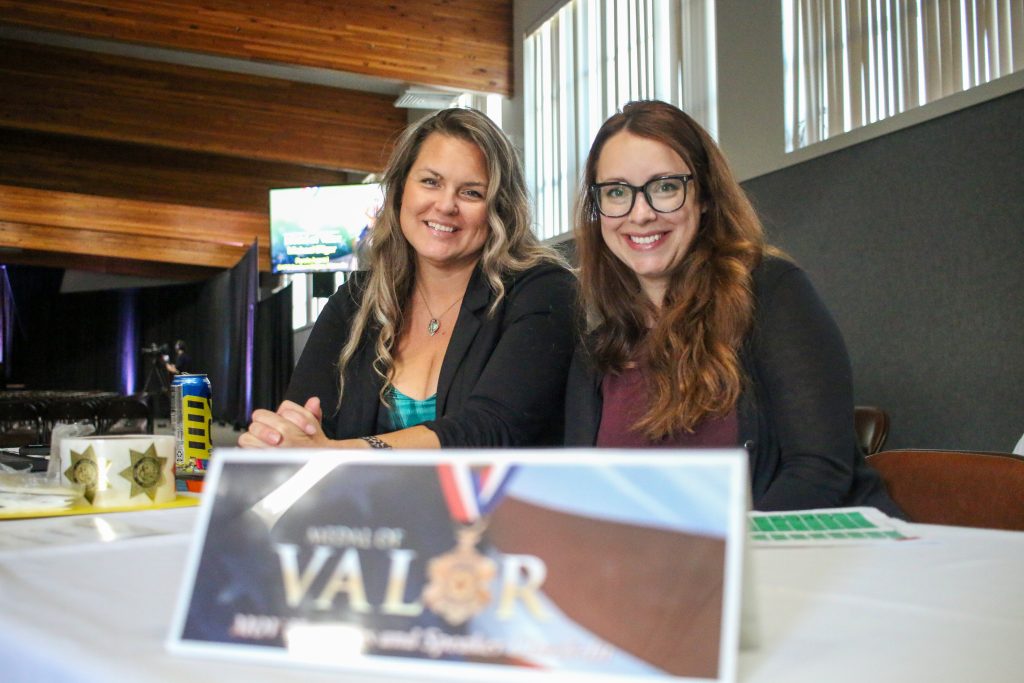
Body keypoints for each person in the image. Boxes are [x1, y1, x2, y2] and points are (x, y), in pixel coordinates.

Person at [565, 100, 900, 514]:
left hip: (792, 560)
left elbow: (819, 472)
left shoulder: (772, 292)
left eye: (665, 186)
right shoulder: (597, 349)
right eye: (616, 192)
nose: (641, 213)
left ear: (704, 195)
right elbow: (582, 495)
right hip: (655, 570)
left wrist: (720, 558)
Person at [240, 107, 576, 450]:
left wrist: (339, 453)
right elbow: (303, 423)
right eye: (431, 182)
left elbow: (491, 428)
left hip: (489, 505)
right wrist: (278, 438)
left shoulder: (543, 292)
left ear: (499, 208)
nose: (446, 205)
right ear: (401, 190)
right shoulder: (355, 301)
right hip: (360, 504)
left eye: (472, 192)